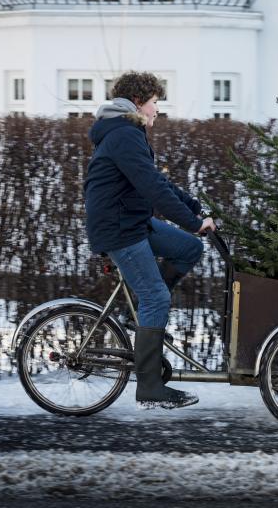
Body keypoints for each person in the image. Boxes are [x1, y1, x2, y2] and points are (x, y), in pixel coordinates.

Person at [83, 71, 216, 409]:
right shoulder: (125, 135)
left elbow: (156, 181)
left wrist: (194, 210)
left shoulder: (126, 132)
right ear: (139, 103)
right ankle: (150, 387)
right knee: (156, 296)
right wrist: (191, 221)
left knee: (190, 247)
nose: (158, 110)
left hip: (133, 221)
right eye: (156, 103)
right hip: (119, 229)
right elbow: (152, 188)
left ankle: (146, 315)